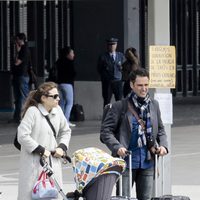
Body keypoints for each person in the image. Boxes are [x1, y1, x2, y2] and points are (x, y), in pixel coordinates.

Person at [100, 68, 168, 200]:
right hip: (126, 161)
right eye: (140, 85)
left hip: (148, 161)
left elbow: (160, 129)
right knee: (124, 198)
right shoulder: (120, 106)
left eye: (146, 85)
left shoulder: (154, 105)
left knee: (146, 198)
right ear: (132, 85)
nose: (144, 89)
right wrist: (117, 147)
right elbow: (106, 131)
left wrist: (164, 146)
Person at [17, 81, 71, 200]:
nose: (58, 99)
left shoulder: (58, 111)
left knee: (53, 194)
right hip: (34, 163)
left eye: (58, 96)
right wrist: (40, 149)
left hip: (53, 162)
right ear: (43, 98)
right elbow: (22, 135)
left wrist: (61, 147)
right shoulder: (33, 112)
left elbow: (66, 131)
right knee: (32, 195)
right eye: (54, 96)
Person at [10, 32, 31, 123]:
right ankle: (17, 117)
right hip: (19, 75)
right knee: (18, 97)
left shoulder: (24, 49)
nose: (15, 41)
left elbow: (17, 62)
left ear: (19, 39)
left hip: (22, 76)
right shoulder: (22, 49)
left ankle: (25, 117)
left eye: (16, 39)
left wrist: (16, 55)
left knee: (23, 96)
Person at [97, 37, 124, 107]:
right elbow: (99, 69)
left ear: (116, 45)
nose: (112, 46)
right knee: (107, 101)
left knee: (119, 101)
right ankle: (106, 117)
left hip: (118, 81)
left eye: (114, 44)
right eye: (110, 44)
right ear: (107, 46)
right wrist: (105, 77)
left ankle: (119, 117)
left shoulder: (120, 55)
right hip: (107, 82)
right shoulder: (103, 56)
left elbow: (124, 67)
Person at [56, 46, 76, 127]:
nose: (73, 55)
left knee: (62, 102)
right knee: (69, 102)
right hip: (68, 84)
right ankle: (66, 120)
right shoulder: (69, 62)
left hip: (59, 84)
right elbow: (73, 73)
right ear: (68, 54)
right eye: (72, 53)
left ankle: (60, 120)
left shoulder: (58, 62)